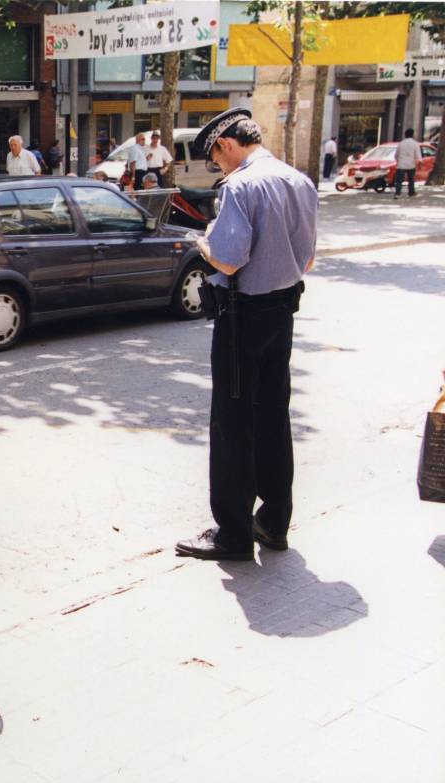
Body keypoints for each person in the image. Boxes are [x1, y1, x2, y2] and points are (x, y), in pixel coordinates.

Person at [174, 108, 318, 561]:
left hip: (243, 315)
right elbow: (308, 259)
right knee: (273, 416)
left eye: (217, 157)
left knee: (233, 422)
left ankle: (233, 534)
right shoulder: (298, 180)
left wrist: (204, 243)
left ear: (227, 144)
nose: (219, 166)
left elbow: (229, 260)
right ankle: (274, 522)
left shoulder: (240, 185)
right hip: (283, 311)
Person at [394, 128, 419, 199]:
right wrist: (419, 162)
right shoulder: (415, 143)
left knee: (399, 180)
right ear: (412, 134)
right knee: (411, 180)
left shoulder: (401, 143)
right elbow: (418, 155)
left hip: (401, 164)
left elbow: (396, 155)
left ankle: (397, 193)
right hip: (411, 164)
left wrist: (398, 161)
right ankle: (411, 192)